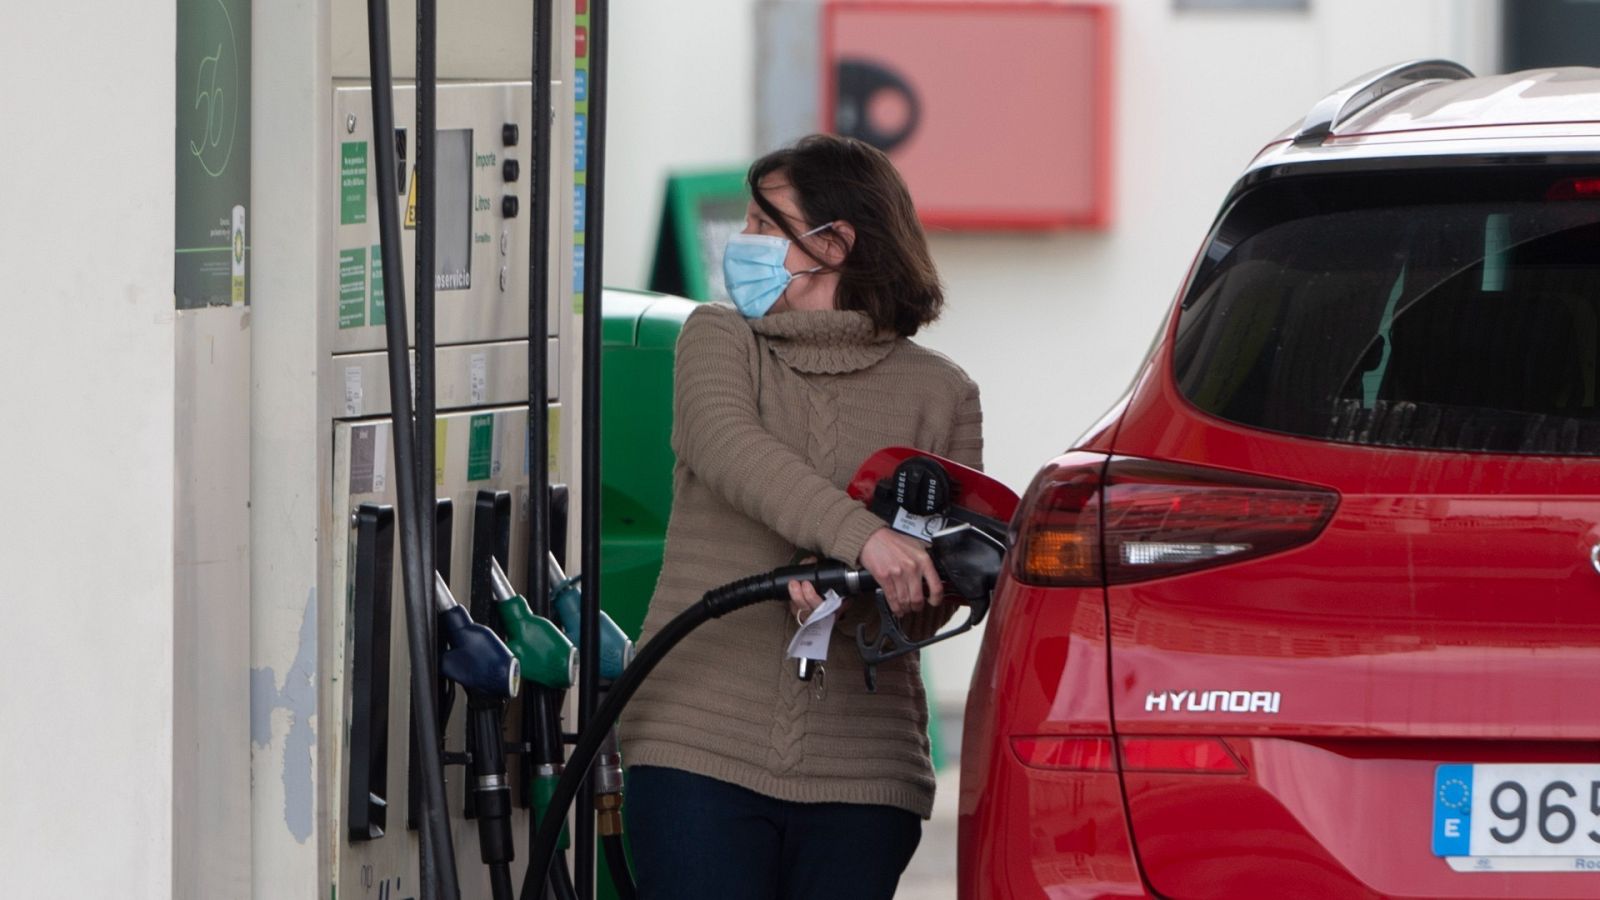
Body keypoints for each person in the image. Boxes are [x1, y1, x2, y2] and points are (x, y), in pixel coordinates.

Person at [619, 133, 983, 899]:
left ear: (834, 242)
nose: (742, 241)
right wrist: (863, 539)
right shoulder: (719, 338)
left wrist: (866, 593)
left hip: (864, 772)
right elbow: (727, 446)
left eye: (763, 223)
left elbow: (931, 597)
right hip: (698, 743)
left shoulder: (942, 394)